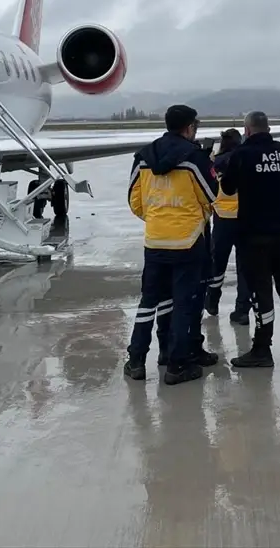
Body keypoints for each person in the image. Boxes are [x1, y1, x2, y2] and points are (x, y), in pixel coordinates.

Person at [124, 104, 219, 385]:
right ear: (189, 128)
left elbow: (134, 200)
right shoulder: (194, 158)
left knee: (148, 302)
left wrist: (155, 218)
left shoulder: (143, 157)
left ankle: (136, 361)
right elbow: (211, 195)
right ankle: (177, 364)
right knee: (183, 304)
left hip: (155, 240)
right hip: (188, 241)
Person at [221, 110, 280, 367]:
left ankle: (262, 348)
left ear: (248, 130)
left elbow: (228, 188)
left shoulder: (242, 155)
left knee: (261, 293)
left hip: (254, 236)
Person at [206, 128, 253, 324]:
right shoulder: (246, 160)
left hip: (222, 218)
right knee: (245, 266)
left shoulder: (215, 162)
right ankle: (242, 310)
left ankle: (212, 301)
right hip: (244, 218)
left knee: (217, 263)